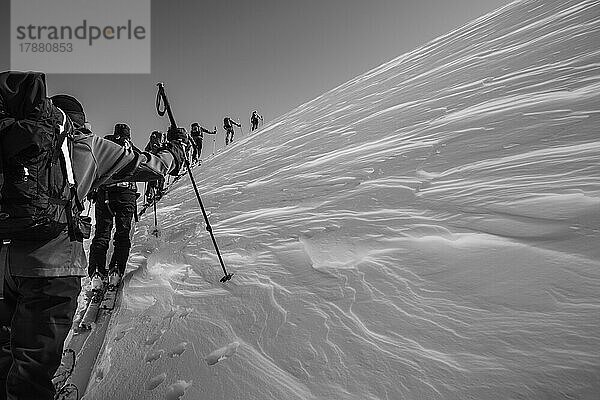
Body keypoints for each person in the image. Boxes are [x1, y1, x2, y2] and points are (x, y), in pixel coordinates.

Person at [0, 71, 186, 400]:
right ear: (79, 121)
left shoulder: (14, 139)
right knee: (32, 367)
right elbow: (151, 165)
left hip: (3, 264)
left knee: (5, 354)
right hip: (52, 268)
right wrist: (174, 150)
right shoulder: (88, 144)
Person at [87, 123, 139, 289]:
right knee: (122, 234)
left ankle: (96, 271)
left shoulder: (105, 147)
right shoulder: (132, 150)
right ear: (128, 135)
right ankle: (116, 270)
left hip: (105, 194)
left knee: (102, 233)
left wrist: (92, 189)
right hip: (126, 195)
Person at [144, 131, 166, 202]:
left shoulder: (151, 139)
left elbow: (146, 149)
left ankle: (149, 194)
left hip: (152, 159)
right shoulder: (160, 140)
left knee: (152, 177)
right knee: (160, 175)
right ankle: (159, 190)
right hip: (159, 159)